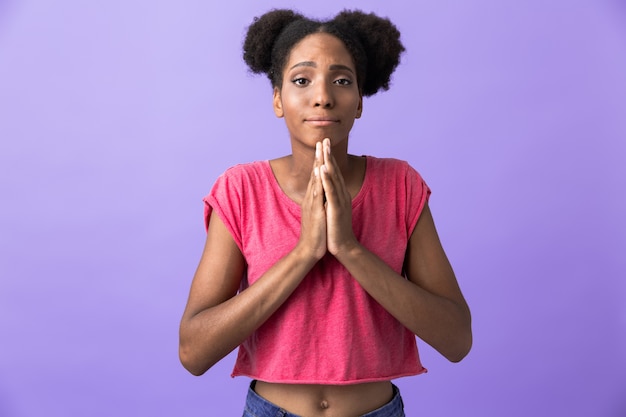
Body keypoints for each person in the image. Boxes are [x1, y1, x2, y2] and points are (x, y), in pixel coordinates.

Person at [179, 8, 472, 417]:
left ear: (360, 101)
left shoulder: (400, 185)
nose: (323, 96)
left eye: (341, 80)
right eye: (302, 80)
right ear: (278, 99)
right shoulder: (241, 189)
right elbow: (194, 352)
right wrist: (304, 253)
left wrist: (350, 250)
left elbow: (457, 340)